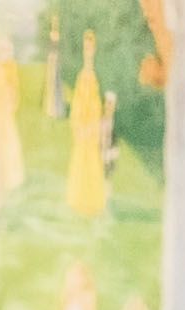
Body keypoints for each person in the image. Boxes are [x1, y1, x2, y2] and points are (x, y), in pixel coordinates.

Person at [66, 30, 108, 219]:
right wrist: (79, 126)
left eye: (91, 47)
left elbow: (98, 105)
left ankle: (92, 201)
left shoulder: (96, 77)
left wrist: (94, 125)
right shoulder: (82, 76)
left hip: (92, 128)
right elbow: (77, 104)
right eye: (86, 47)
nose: (88, 50)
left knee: (92, 161)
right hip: (83, 128)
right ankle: (79, 199)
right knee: (80, 160)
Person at [0, 18, 25, 197]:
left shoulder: (10, 67)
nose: (3, 52)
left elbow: (14, 89)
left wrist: (12, 102)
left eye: (6, 49)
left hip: (5, 110)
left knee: (8, 141)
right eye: (0, 49)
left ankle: (9, 176)